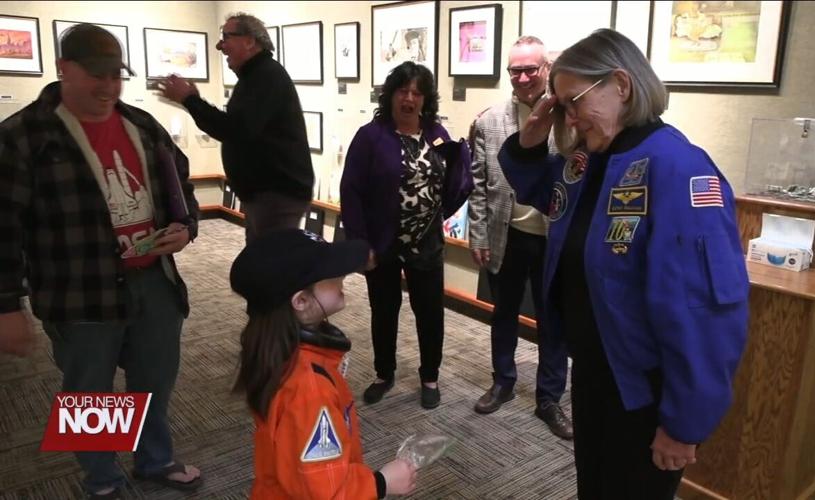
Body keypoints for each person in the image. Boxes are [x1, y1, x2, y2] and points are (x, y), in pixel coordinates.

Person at [497, 29, 749, 499]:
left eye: (574, 102)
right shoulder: (592, 158)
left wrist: (684, 423)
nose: (568, 116)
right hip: (597, 370)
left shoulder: (678, 167)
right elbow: (546, 195)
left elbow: (707, 311)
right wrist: (530, 141)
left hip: (647, 392)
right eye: (562, 104)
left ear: (621, 84)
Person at [0, 24, 202, 499]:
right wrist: (7, 304)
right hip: (78, 291)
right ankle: (103, 480)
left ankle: (154, 460)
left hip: (154, 282)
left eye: (116, 75)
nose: (108, 87)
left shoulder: (142, 124)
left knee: (154, 380)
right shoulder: (23, 137)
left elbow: (181, 188)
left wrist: (186, 226)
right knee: (91, 391)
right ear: (64, 68)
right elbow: (3, 227)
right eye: (96, 75)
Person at [229, 229, 417, 499]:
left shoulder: (278, 352)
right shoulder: (309, 388)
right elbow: (326, 492)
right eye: (331, 275)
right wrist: (382, 482)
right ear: (301, 302)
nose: (343, 276)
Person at [340, 61, 472, 409]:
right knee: (384, 310)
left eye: (417, 92)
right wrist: (359, 242)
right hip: (382, 242)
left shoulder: (436, 133)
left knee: (430, 311)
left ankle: (430, 376)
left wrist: (443, 208)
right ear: (391, 95)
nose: (409, 98)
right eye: (403, 91)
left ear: (426, 98)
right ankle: (384, 374)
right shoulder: (371, 136)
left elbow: (456, 176)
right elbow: (351, 190)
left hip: (426, 241)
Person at [467, 36, 572, 440]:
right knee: (504, 312)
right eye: (516, 70)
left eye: (532, 69)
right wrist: (478, 233)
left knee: (553, 321)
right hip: (505, 233)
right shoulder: (490, 120)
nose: (524, 77)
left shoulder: (567, 115)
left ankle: (549, 398)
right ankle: (503, 381)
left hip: (553, 238)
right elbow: (478, 183)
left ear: (547, 68)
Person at [158, 12, 313, 243]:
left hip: (275, 195)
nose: (220, 46)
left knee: (273, 266)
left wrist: (190, 100)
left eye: (226, 37)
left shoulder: (265, 77)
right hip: (267, 194)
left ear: (250, 41)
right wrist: (191, 100)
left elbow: (235, 130)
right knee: (265, 261)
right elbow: (238, 128)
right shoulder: (256, 76)